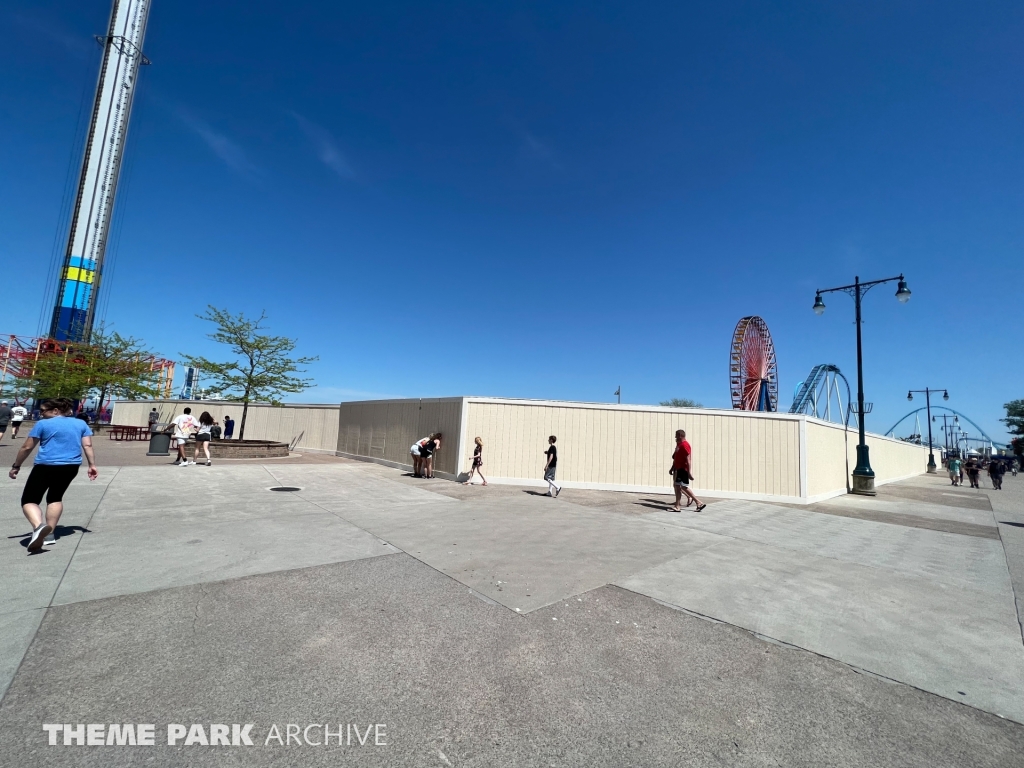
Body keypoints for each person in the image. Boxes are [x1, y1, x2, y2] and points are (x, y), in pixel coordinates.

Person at [8, 397, 97, 554]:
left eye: (43, 411)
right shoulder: (80, 423)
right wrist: (91, 465)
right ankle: (49, 535)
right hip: (71, 466)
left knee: (29, 500)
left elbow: (27, 447)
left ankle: (38, 527)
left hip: (46, 465)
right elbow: (87, 444)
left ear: (55, 411)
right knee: (55, 497)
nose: (40, 414)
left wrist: (16, 466)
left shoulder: (43, 424)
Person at [670, 429, 706, 512]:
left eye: (676, 435)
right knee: (677, 486)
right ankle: (677, 506)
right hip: (678, 469)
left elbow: (688, 458)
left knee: (683, 487)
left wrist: (689, 472)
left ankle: (698, 502)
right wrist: (672, 468)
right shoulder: (679, 445)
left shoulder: (685, 445)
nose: (675, 437)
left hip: (683, 469)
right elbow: (675, 458)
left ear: (680, 435)